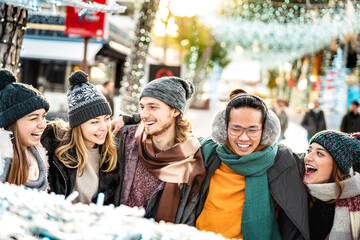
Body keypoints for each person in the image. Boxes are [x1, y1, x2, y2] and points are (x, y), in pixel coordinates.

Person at [195, 90, 309, 239]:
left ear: (266, 130)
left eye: (253, 129)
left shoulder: (281, 160)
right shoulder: (209, 153)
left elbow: (322, 165)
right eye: (236, 128)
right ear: (223, 128)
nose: (243, 137)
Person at [113, 76, 205, 224]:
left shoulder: (190, 155)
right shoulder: (126, 138)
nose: (144, 114)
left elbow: (191, 209)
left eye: (153, 107)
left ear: (175, 111)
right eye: (142, 107)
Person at [41, 70, 120, 205]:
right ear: (78, 125)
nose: (104, 127)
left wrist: (130, 118)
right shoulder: (54, 145)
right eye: (94, 122)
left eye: (106, 119)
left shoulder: (111, 151)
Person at [304, 130, 360, 239]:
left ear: (336, 165)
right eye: (309, 151)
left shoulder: (356, 202)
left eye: (319, 153)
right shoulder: (299, 193)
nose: (308, 158)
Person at [0, 69, 50, 190]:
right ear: (11, 123)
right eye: (33, 118)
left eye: (43, 116)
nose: (43, 125)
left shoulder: (39, 155)